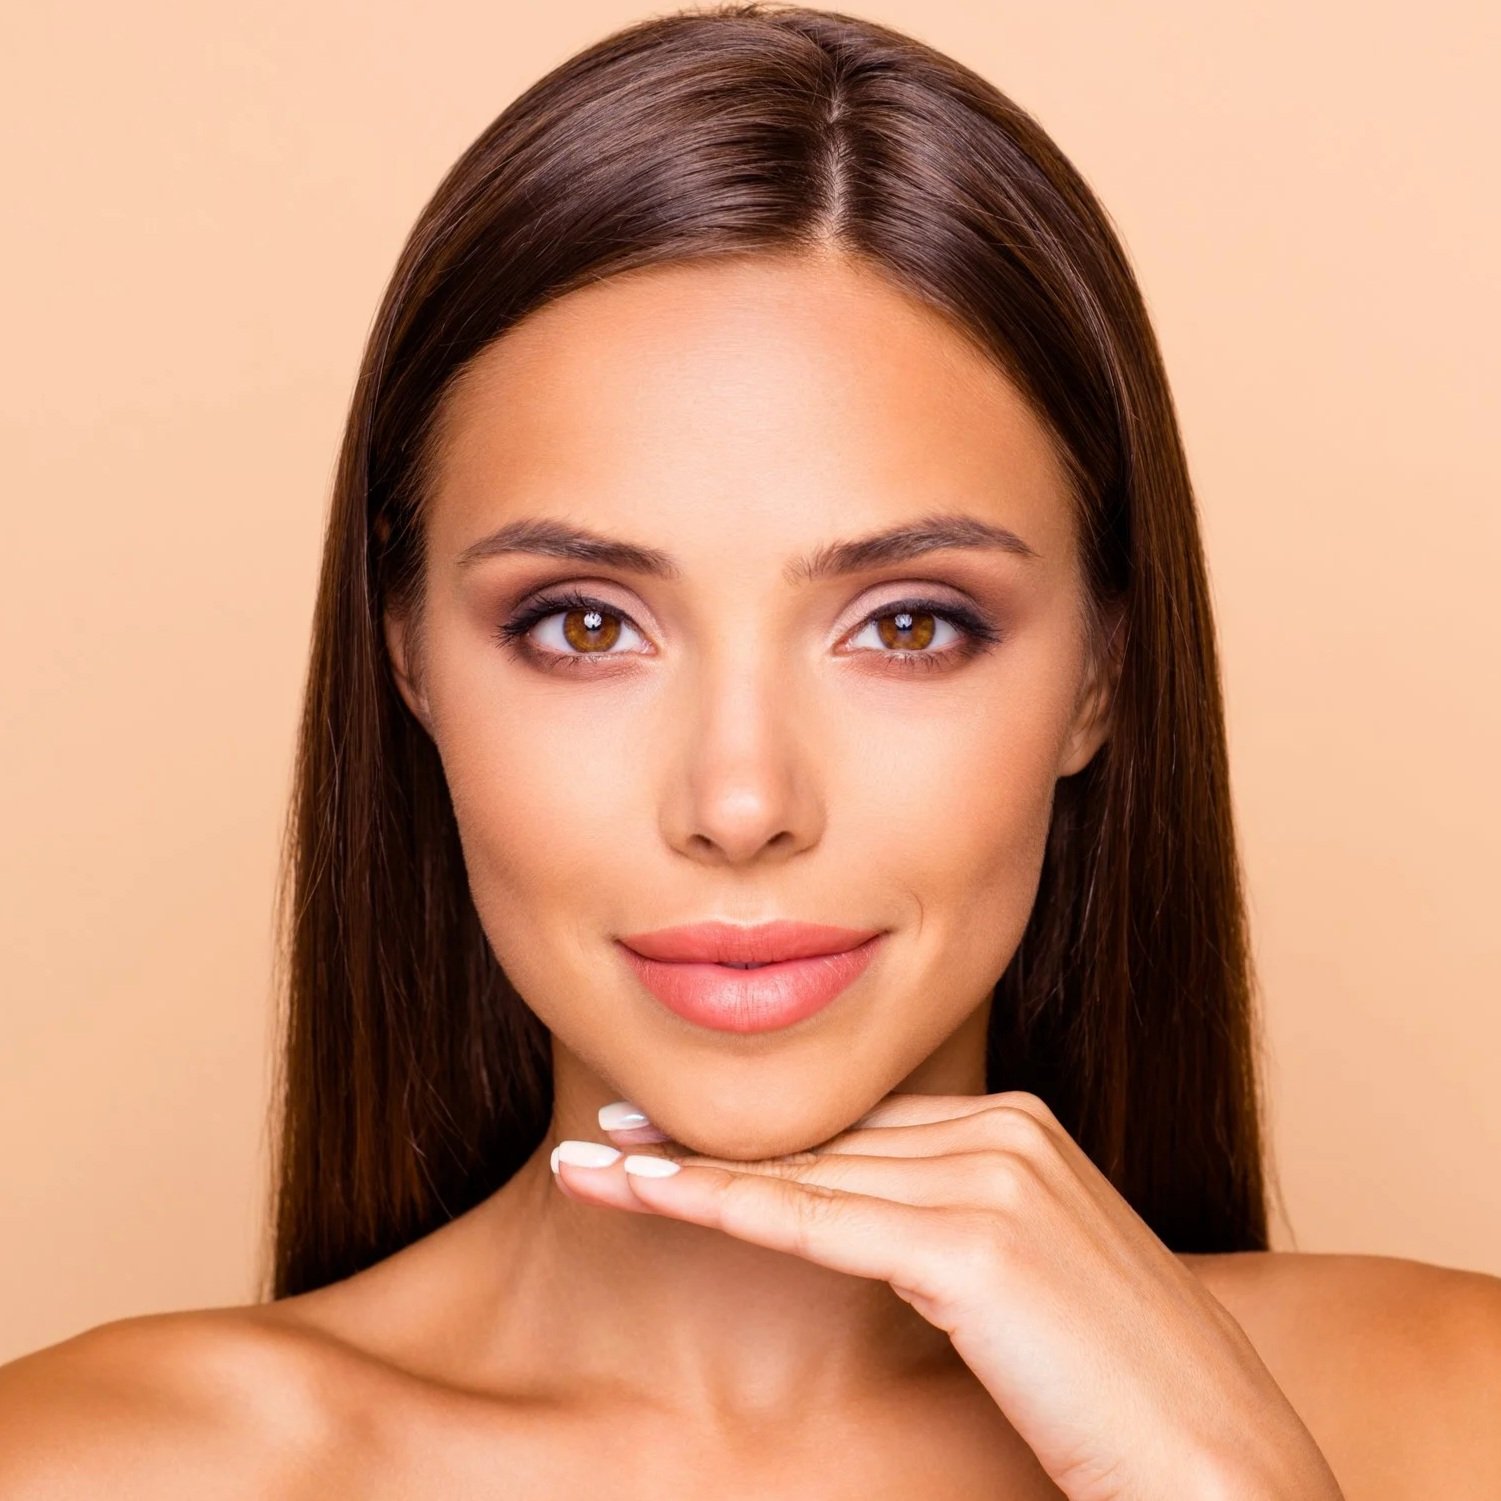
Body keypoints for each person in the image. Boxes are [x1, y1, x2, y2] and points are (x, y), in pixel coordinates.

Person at [3, 4, 1497, 1496]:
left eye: (906, 625)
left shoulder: (1453, 1413)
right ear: (406, 651)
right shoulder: (87, 1467)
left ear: (1100, 668)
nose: (739, 802)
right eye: (585, 624)